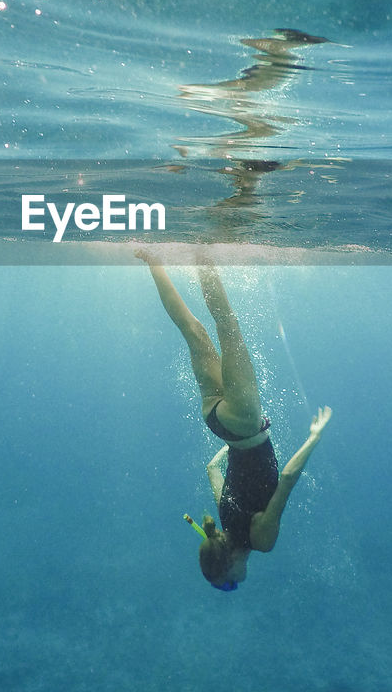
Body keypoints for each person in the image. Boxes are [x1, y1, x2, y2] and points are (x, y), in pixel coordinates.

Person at [137, 250, 333, 591]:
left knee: (227, 324)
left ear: (228, 569)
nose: (236, 585)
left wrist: (314, 436)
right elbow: (213, 470)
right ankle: (153, 259)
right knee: (192, 329)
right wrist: (232, 447)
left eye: (230, 585)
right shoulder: (224, 522)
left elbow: (286, 480)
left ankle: (202, 250)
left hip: (244, 422)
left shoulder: (261, 542)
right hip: (217, 422)